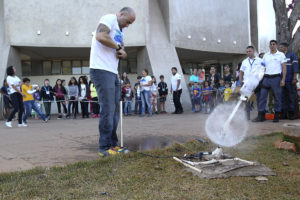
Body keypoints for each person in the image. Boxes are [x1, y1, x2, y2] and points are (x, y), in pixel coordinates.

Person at [89, 7, 136, 157]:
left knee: (115, 111)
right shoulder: (109, 18)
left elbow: (122, 49)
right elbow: (100, 36)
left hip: (112, 72)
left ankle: (112, 145)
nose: (128, 25)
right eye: (128, 21)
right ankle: (104, 147)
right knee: (108, 110)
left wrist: (122, 52)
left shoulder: (121, 30)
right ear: (121, 14)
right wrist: (117, 47)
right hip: (101, 70)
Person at [253, 40, 287, 123]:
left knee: (277, 97)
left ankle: (276, 116)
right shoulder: (266, 56)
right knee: (262, 96)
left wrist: (283, 79)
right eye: (270, 44)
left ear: (276, 45)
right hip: (266, 78)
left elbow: (284, 68)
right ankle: (261, 115)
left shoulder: (281, 55)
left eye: (274, 44)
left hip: (276, 78)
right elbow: (262, 67)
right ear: (269, 46)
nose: (272, 46)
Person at [239, 46, 264, 120]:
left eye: (250, 51)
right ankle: (247, 117)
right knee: (246, 100)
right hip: (246, 83)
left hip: (256, 83)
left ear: (253, 51)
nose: (248, 53)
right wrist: (241, 82)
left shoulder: (260, 60)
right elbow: (241, 72)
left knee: (259, 99)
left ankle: (260, 116)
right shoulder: (244, 61)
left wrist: (260, 81)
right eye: (247, 51)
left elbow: (262, 71)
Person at [279, 42, 299, 120]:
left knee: (291, 97)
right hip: (281, 81)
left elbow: (295, 67)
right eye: (279, 47)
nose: (279, 49)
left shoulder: (291, 55)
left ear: (286, 48)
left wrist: (294, 78)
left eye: (281, 47)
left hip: (290, 81)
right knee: (282, 98)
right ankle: (283, 114)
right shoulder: (278, 56)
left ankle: (291, 114)